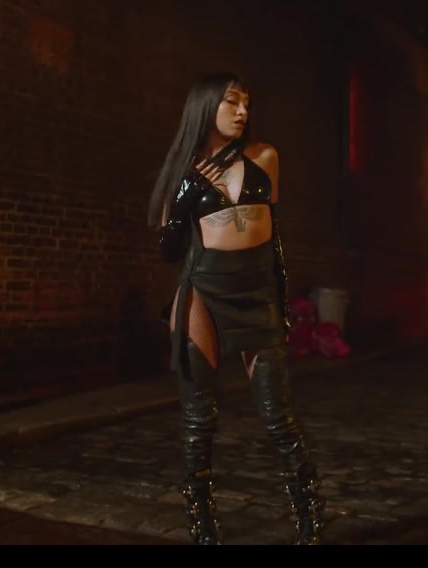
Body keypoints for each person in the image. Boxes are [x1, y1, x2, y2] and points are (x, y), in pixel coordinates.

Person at [147, 72, 326, 545]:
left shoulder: (264, 156)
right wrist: (184, 198)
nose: (242, 111)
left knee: (278, 416)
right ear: (207, 107)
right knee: (199, 419)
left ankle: (310, 519)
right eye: (232, 102)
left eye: (246, 102)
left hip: (256, 292)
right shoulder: (187, 167)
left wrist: (281, 305)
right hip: (203, 292)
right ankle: (203, 527)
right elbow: (167, 249)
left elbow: (275, 241)